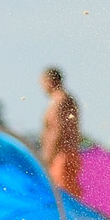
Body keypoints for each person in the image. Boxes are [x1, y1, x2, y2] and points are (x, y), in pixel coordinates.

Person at [38, 66, 82, 197]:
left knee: (63, 197)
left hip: (61, 155)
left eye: (42, 83)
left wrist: (47, 157)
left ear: (50, 81)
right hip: (63, 154)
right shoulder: (64, 100)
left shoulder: (60, 101)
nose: (42, 88)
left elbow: (57, 131)